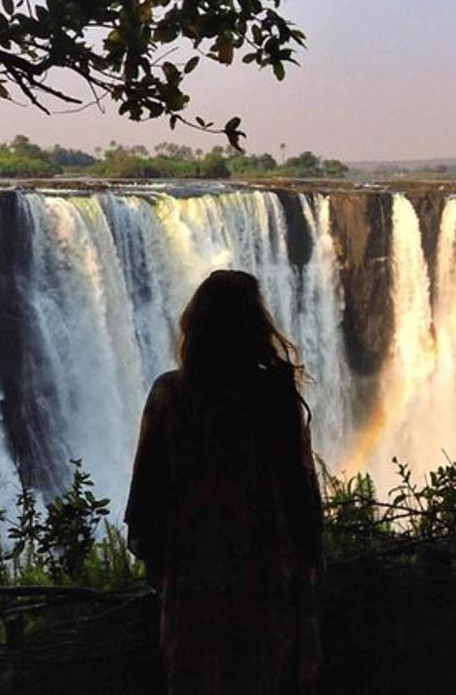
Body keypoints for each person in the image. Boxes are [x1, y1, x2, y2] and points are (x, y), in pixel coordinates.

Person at [125, 270, 324, 694]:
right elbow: (300, 491)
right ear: (256, 327)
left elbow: (146, 495)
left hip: (195, 580)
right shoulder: (274, 395)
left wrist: (161, 569)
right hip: (265, 577)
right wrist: (308, 565)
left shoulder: (170, 396)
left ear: (194, 326)